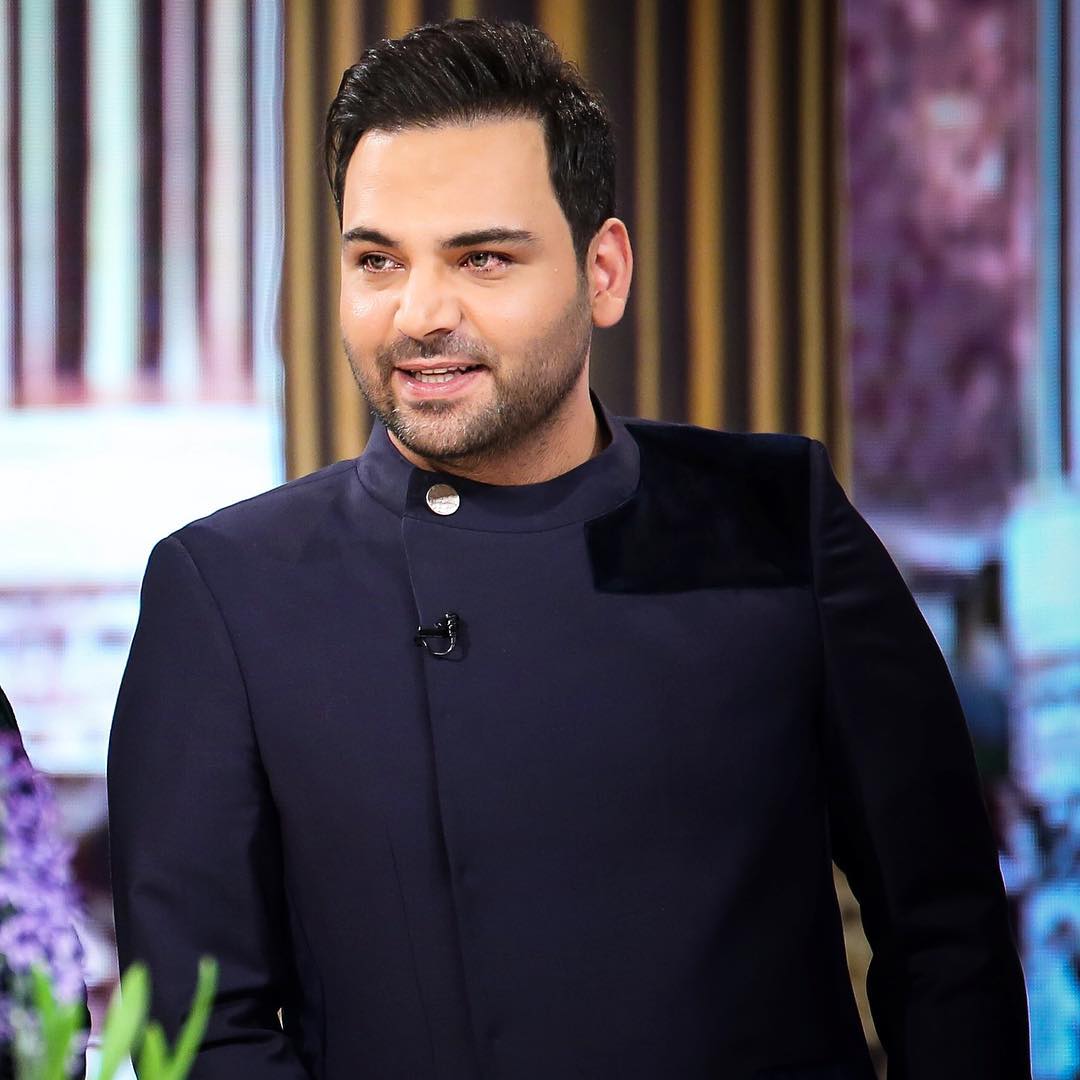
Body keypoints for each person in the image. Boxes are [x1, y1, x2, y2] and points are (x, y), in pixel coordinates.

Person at [107, 18, 1031, 1080]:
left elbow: (948, 937)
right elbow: (206, 1033)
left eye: (482, 258)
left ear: (604, 271)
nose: (419, 314)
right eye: (377, 261)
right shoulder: (230, 592)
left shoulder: (773, 515)